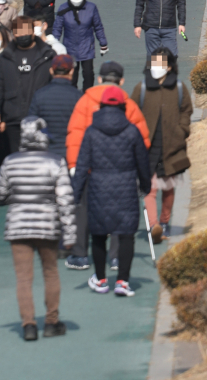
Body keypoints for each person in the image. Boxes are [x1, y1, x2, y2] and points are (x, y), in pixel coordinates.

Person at [0, 116, 75, 341]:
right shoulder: (55, 161)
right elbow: (65, 200)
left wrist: (15, 198)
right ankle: (51, 321)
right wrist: (70, 233)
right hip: (47, 225)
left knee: (23, 278)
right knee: (50, 272)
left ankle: (28, 325)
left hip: (18, 225)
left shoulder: (10, 161)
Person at [65, 61, 150, 271]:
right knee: (121, 213)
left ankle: (80, 254)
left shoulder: (85, 101)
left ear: (99, 78)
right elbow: (142, 139)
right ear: (121, 81)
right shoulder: (128, 104)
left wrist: (75, 164)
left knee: (83, 212)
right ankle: (116, 257)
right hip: (123, 170)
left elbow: (76, 132)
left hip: (92, 170)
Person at [131, 48, 192, 243]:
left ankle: (165, 222)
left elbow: (186, 111)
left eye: (162, 63)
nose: (158, 67)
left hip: (172, 146)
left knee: (168, 187)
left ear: (170, 66)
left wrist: (182, 130)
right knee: (149, 188)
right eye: (155, 62)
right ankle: (154, 225)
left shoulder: (180, 88)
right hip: (147, 147)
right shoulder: (141, 89)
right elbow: (132, 113)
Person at [0, 16, 55, 160]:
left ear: (33, 32)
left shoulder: (47, 55)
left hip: (41, 117)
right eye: (17, 32)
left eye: (25, 32)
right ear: (13, 33)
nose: (21, 35)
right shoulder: (5, 57)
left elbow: (55, 83)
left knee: (40, 159)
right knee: (16, 158)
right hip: (13, 118)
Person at [52, 0, 108, 91]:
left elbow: (98, 26)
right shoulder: (63, 8)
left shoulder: (91, 8)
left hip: (87, 47)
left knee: (88, 75)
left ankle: (87, 95)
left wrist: (103, 43)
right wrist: (54, 45)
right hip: (69, 48)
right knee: (72, 77)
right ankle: (73, 98)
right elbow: (57, 28)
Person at [28, 54, 81, 157]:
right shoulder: (78, 96)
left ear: (51, 71)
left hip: (45, 152)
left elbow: (32, 124)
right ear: (71, 71)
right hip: (70, 152)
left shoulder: (39, 95)